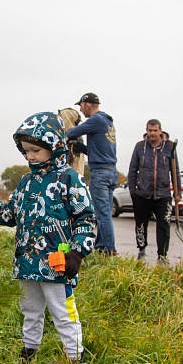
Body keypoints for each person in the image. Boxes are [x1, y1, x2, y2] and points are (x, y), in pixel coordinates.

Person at [0, 112, 95, 363]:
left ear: (55, 145)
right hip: (27, 261)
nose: (30, 156)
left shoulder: (70, 179)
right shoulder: (26, 182)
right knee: (30, 309)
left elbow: (85, 218)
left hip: (58, 262)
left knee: (63, 311)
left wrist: (77, 252)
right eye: (26, 151)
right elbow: (11, 213)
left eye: (35, 150)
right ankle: (29, 350)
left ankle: (74, 357)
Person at [66, 93, 118, 255]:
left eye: (80, 106)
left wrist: (67, 134)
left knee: (101, 214)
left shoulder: (95, 120)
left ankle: (109, 250)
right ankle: (102, 247)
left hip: (100, 173)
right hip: (111, 171)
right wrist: (79, 145)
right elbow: (93, 151)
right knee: (106, 212)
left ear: (87, 104)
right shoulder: (107, 122)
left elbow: (70, 133)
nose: (80, 110)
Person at [128, 120, 181, 264]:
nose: (152, 133)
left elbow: (175, 171)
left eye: (155, 130)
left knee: (164, 225)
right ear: (146, 131)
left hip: (163, 194)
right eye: (150, 130)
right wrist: (133, 190)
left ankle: (162, 255)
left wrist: (178, 192)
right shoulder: (140, 147)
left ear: (160, 131)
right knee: (140, 224)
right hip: (142, 194)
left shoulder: (169, 147)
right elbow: (133, 169)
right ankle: (141, 250)